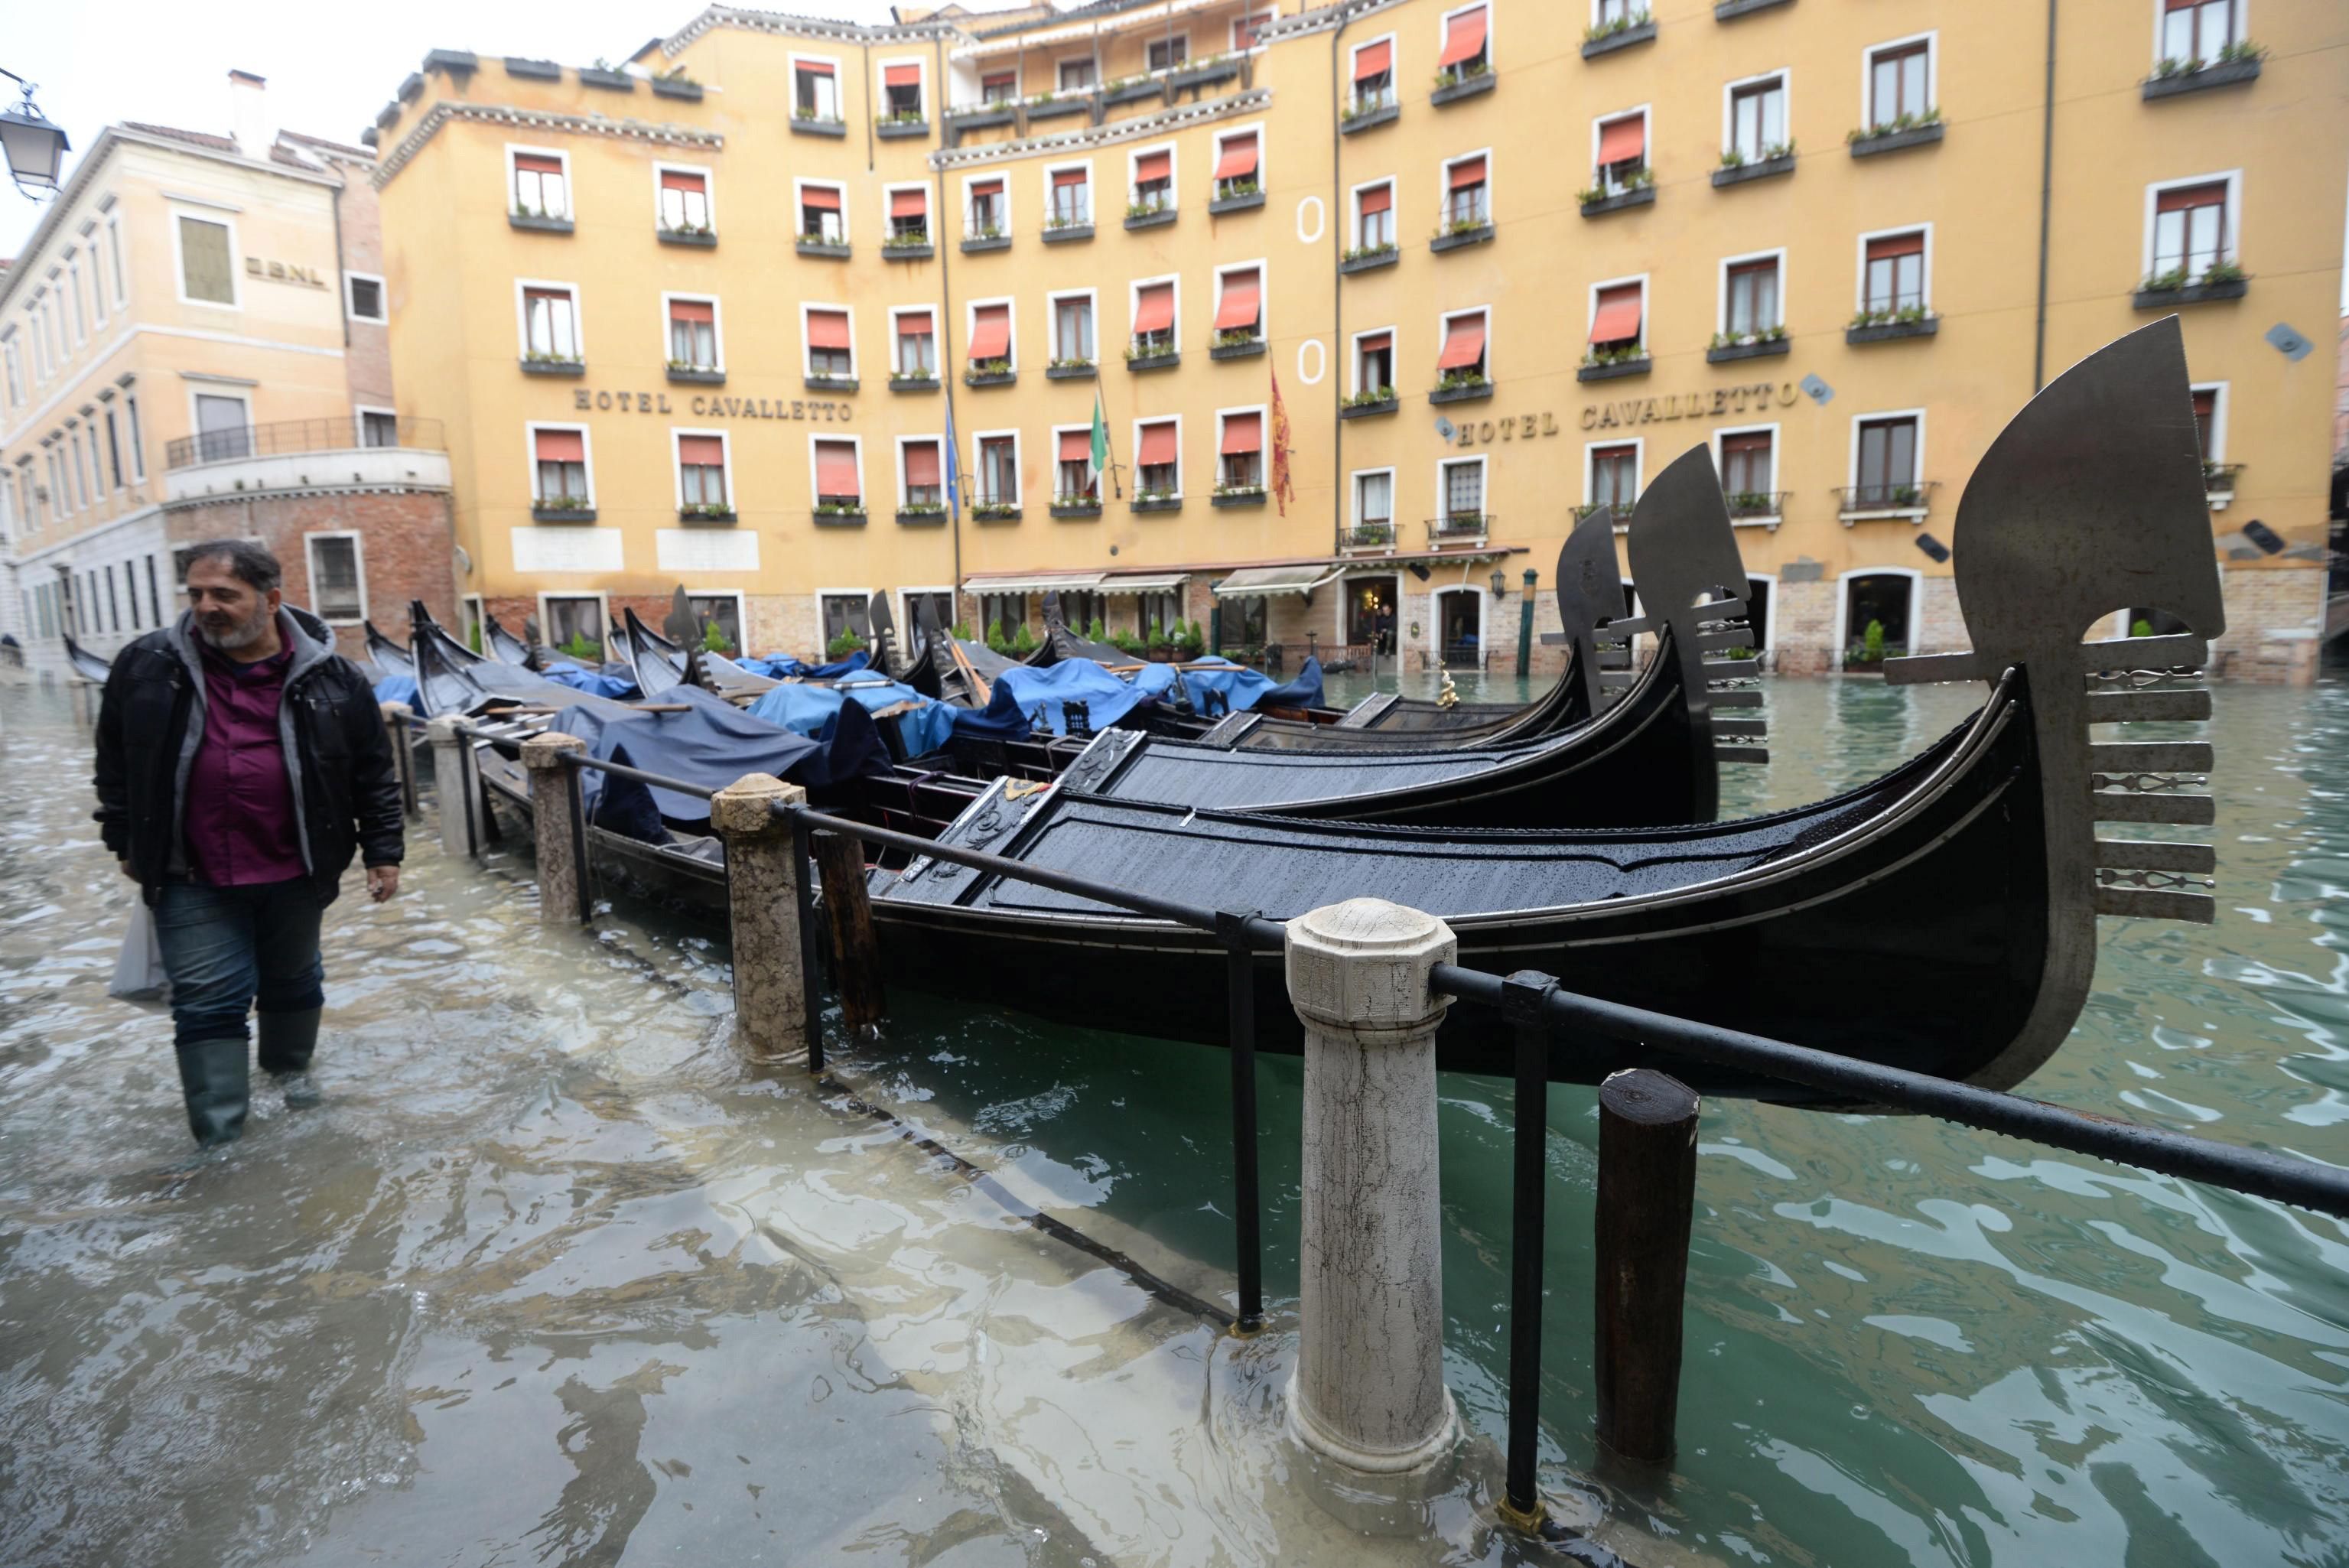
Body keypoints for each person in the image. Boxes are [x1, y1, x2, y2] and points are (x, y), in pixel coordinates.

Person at [93, 539, 404, 1149]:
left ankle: (292, 1081)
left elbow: (372, 772)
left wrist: (383, 852)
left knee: (292, 980)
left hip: (297, 866)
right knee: (209, 1001)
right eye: (196, 594)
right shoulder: (146, 665)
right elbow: (114, 761)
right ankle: (220, 1146)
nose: (206, 607)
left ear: (270, 600)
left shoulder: (336, 678)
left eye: (224, 595)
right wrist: (123, 838)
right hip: (190, 871)